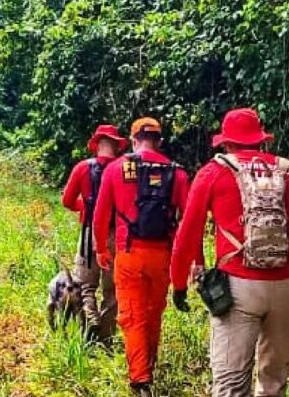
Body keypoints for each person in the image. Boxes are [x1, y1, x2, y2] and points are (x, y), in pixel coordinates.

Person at [170, 108, 289, 397]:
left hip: (237, 289)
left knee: (230, 387)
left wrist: (178, 283)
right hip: (285, 289)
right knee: (274, 385)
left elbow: (187, 234)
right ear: (262, 140)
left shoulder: (212, 174)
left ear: (226, 144)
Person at [93, 117, 190, 397]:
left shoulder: (116, 168)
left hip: (128, 252)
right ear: (159, 141)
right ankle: (149, 363)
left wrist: (101, 248)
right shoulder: (177, 173)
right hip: (163, 256)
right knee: (153, 311)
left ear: (134, 140)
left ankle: (140, 380)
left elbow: (100, 217)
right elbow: (189, 222)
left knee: (131, 316)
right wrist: (194, 260)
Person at [61, 124, 126, 345]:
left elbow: (67, 201)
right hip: (116, 236)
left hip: (89, 233)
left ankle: (90, 320)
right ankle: (106, 338)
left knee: (83, 284)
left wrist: (87, 209)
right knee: (113, 288)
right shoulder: (123, 169)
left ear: (96, 144)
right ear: (117, 146)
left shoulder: (82, 168)